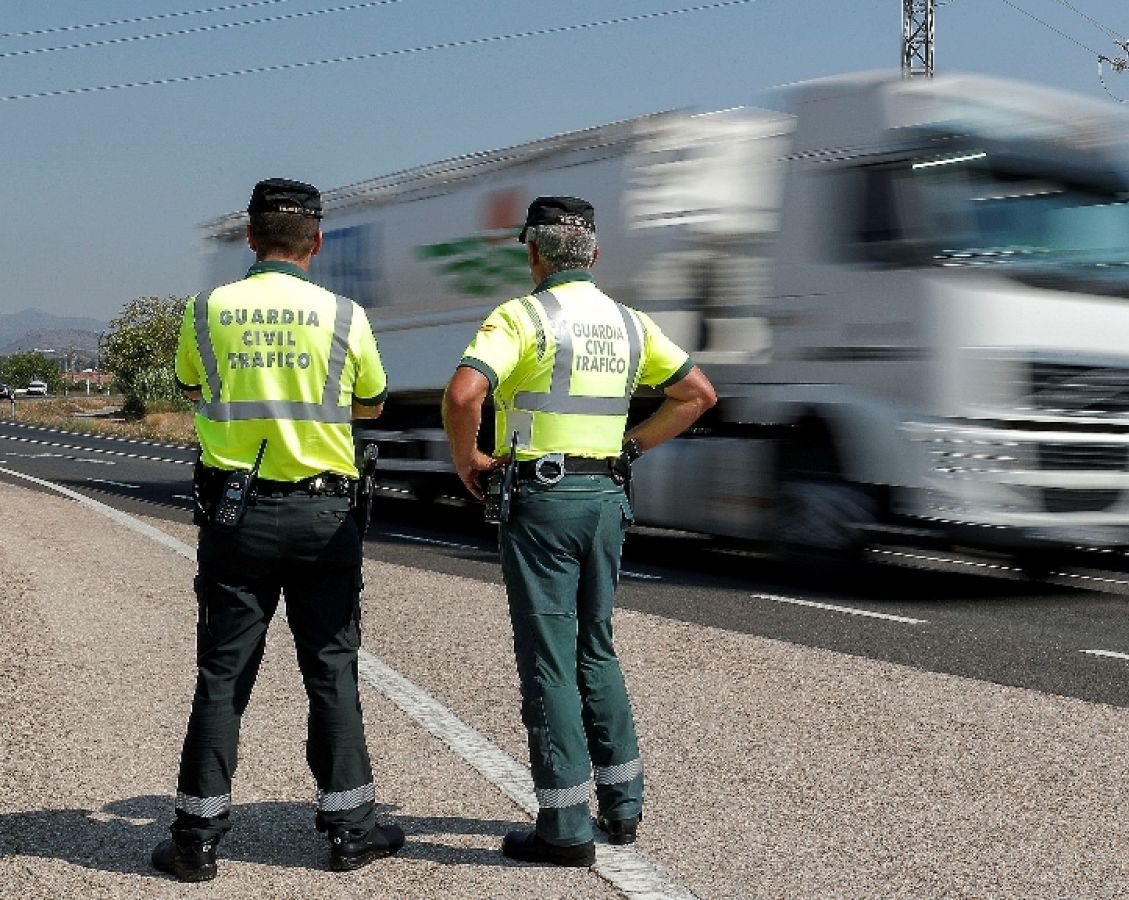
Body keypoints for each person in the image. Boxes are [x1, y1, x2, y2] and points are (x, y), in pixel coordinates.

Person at [443, 196, 716, 867]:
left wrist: (468, 460)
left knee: (549, 656)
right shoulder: (630, 325)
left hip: (542, 500)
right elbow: (698, 395)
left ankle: (563, 828)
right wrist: (632, 447)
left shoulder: (521, 316)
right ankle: (622, 809)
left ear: (532, 253)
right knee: (596, 646)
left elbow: (462, 394)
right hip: (606, 498)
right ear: (594, 254)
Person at [154, 178, 403, 882]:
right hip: (326, 518)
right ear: (317, 243)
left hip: (237, 518)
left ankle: (196, 842)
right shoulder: (345, 315)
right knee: (331, 668)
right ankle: (350, 832)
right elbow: (374, 405)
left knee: (223, 674)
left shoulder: (209, 309)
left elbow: (194, 387)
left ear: (250, 237)